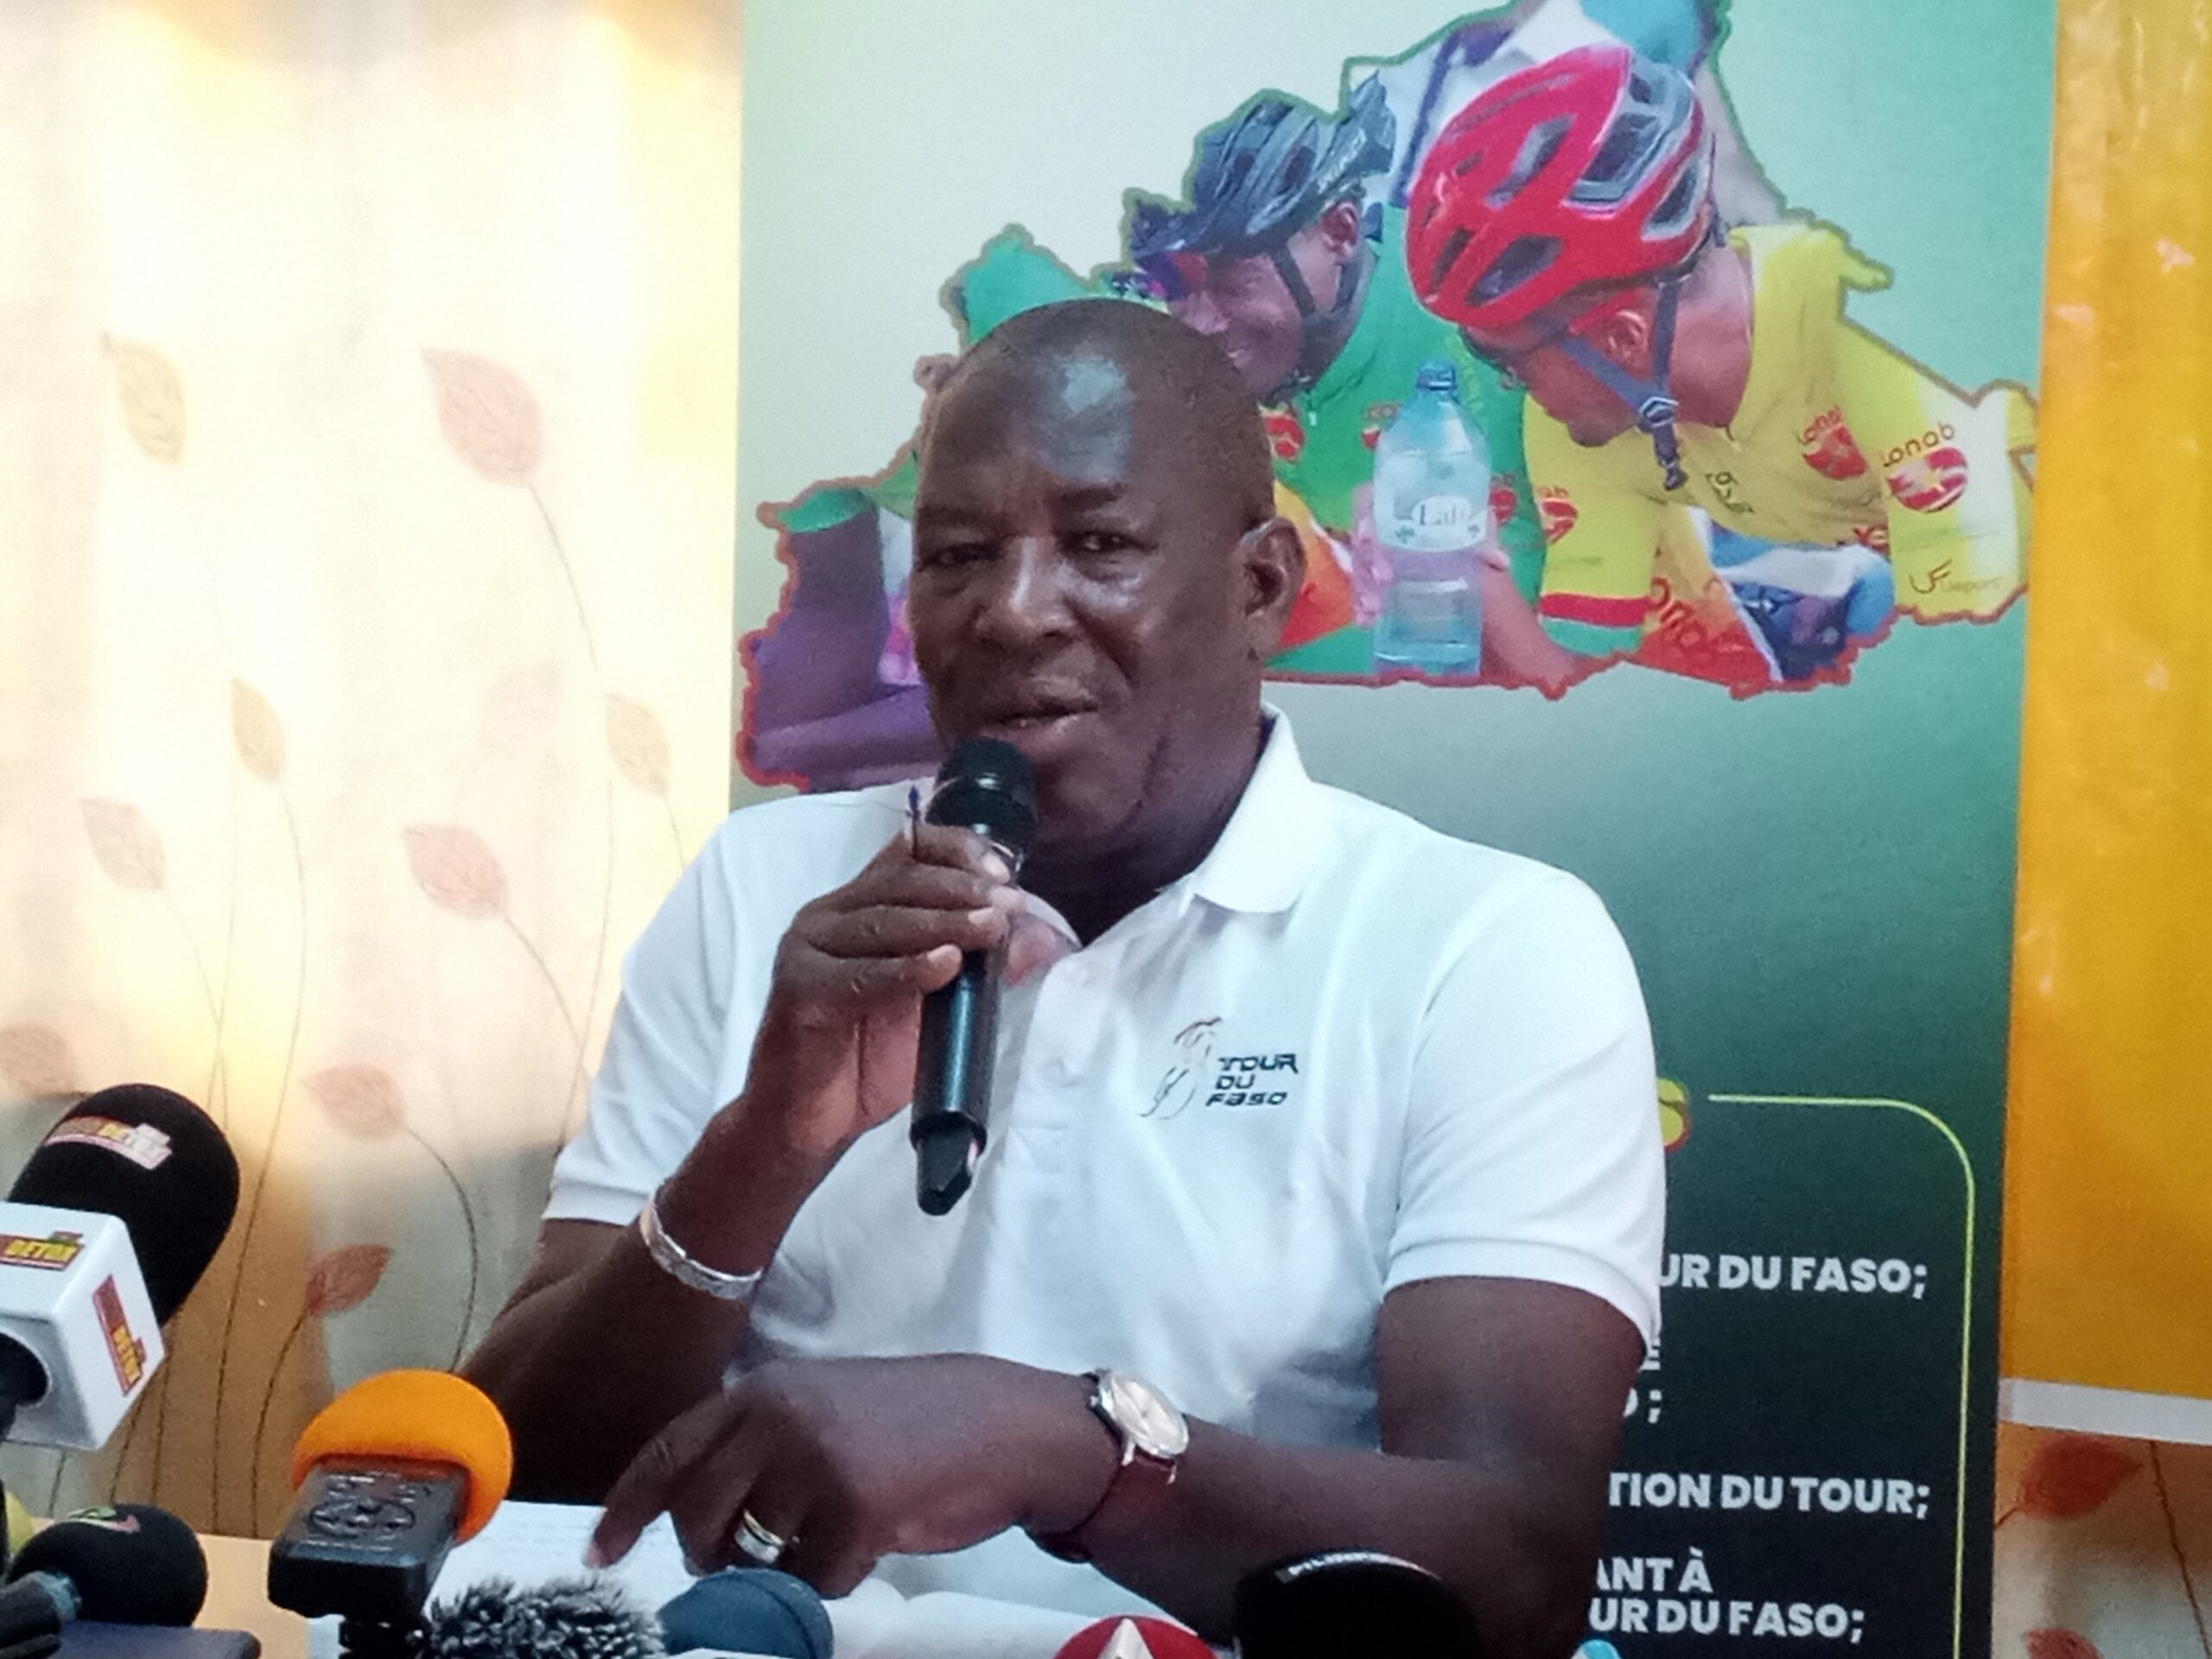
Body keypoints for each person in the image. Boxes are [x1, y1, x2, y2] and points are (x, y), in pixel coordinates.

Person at [465, 301, 1663, 1656]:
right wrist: (765, 1144)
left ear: (1261, 586)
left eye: (1098, 545)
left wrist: (1072, 1448)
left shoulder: (1486, 946)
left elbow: (1516, 1572)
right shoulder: (762, 889)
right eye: (959, 555)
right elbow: (530, 1476)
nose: (1014, 610)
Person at [1406, 43, 2034, 665]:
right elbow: (1582, 672)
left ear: (1621, 338)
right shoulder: (1588, 422)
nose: (1511, 389)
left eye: (1507, 363)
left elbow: (1971, 663)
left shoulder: (1869, 337)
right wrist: (1469, 581)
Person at [1127, 80, 1580, 690]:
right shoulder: (1193, 351)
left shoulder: (1477, 324)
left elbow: (1543, 664)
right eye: (1172, 284)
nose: (1199, 322)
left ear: (1339, 233)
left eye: (1234, 282)